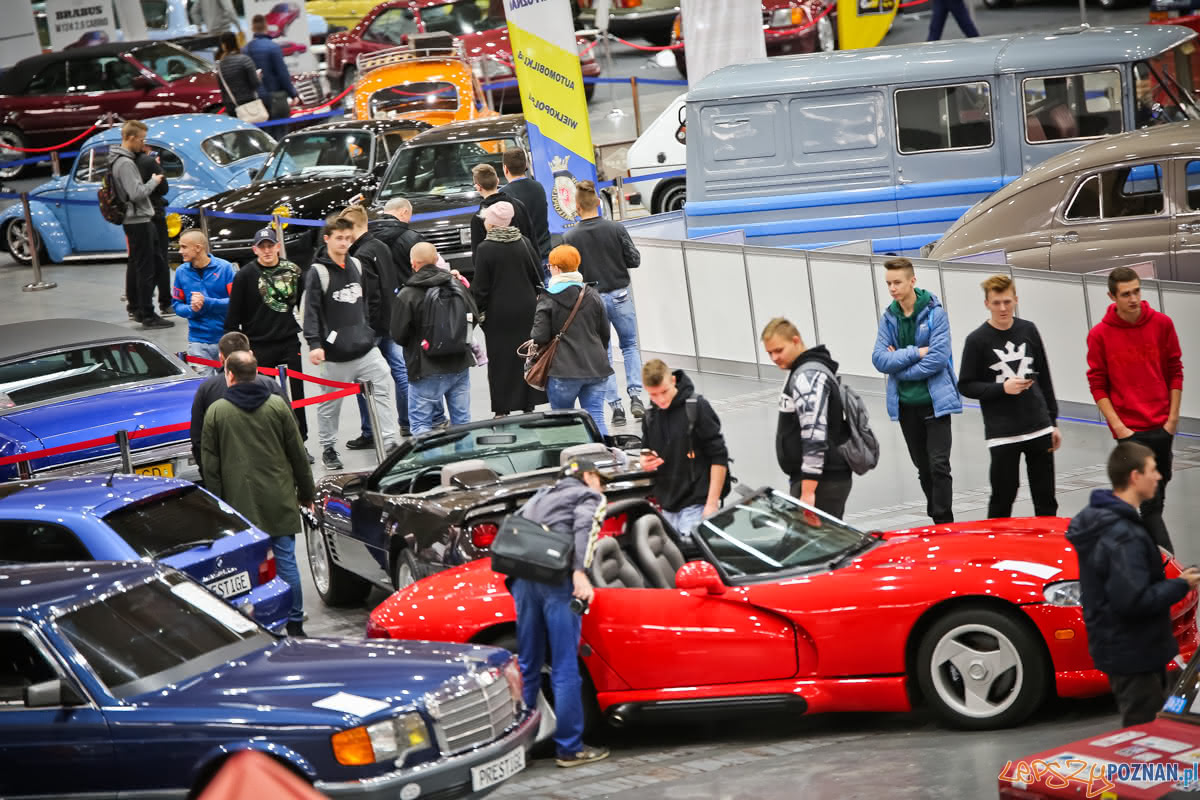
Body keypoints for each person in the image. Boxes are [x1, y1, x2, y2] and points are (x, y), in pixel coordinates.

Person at [1066, 441, 1200, 727]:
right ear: (1135, 476)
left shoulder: (1107, 522)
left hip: (1130, 648)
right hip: (1134, 652)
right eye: (1153, 470)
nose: (1159, 476)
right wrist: (1181, 585)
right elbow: (1133, 600)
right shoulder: (1121, 534)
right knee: (1144, 736)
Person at [201, 350, 315, 638]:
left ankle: (258, 621)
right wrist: (306, 492)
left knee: (247, 567)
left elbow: (210, 467)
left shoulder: (217, 412)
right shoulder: (277, 405)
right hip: (279, 496)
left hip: (239, 504)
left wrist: (217, 507)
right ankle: (296, 622)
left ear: (229, 375)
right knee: (287, 560)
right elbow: (298, 454)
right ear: (256, 372)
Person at [512, 458, 611, 768]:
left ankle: (519, 749)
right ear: (589, 476)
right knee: (565, 666)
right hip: (558, 581)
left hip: (524, 581)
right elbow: (585, 527)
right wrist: (579, 572)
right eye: (600, 480)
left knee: (528, 665)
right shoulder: (589, 496)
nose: (602, 487)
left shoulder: (541, 495)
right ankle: (569, 748)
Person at [1086, 266, 1184, 552]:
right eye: (1126, 294)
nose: (1133, 299)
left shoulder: (1162, 324)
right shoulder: (1100, 335)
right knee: (1150, 507)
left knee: (1156, 500)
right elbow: (1097, 383)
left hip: (1162, 426)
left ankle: (1142, 558)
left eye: (1137, 291)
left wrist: (1173, 419)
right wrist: (1119, 427)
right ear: (1112, 296)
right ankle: (1171, 568)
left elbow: (1175, 370)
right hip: (1130, 431)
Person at [958, 275, 1061, 519]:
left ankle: (1047, 550)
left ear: (1015, 300)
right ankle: (995, 549)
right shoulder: (976, 340)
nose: (1002, 308)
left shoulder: (1028, 329)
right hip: (1002, 433)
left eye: (1007, 302)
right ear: (987, 304)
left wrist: (1052, 423)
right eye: (996, 303)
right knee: (1003, 496)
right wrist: (1002, 389)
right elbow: (966, 385)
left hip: (1038, 427)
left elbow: (1044, 377)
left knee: (1045, 497)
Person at [303, 215, 400, 470]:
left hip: (365, 348)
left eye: (348, 238)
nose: (344, 243)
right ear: (327, 239)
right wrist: (315, 344)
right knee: (330, 404)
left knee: (381, 385)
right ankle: (328, 447)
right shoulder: (318, 272)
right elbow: (310, 310)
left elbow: (364, 301)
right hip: (335, 355)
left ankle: (389, 441)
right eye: (339, 238)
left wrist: (365, 329)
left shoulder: (357, 264)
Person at [871, 257, 962, 524]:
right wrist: (915, 352)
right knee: (923, 468)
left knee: (939, 465)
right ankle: (936, 518)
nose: (892, 289)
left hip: (935, 403)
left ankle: (944, 520)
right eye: (888, 284)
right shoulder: (889, 318)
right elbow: (879, 359)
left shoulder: (936, 314)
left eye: (897, 282)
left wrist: (899, 365)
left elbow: (938, 359)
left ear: (912, 281)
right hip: (906, 406)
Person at [563, 180, 644, 428]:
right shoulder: (616, 228)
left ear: (577, 207)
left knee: (604, 354)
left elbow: (570, 274)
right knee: (630, 346)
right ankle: (636, 397)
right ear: (598, 202)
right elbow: (634, 259)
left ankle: (616, 407)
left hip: (592, 301)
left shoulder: (570, 236)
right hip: (620, 294)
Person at [761, 317, 853, 519]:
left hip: (822, 481)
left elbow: (814, 435)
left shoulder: (808, 376)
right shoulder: (802, 370)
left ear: (796, 341)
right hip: (819, 478)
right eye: (769, 353)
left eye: (779, 350)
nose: (774, 358)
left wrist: (808, 492)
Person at [224, 227, 308, 444]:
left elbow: (302, 303)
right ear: (255, 249)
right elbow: (233, 316)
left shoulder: (293, 271)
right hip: (260, 345)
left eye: (271, 246)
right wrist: (234, 352)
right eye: (262, 247)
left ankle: (301, 439)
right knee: (265, 397)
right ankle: (272, 440)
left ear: (278, 247)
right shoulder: (244, 276)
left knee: (298, 396)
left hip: (289, 342)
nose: (267, 250)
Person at [391, 242, 480, 435]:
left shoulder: (408, 294)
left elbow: (398, 334)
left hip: (425, 367)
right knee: (462, 422)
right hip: (459, 363)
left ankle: (431, 464)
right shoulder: (455, 284)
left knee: (422, 425)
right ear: (436, 259)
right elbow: (474, 316)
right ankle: (464, 463)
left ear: (413, 264)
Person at [339, 205, 410, 446]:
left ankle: (370, 431)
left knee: (364, 379)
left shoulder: (360, 256)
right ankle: (408, 422)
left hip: (373, 327)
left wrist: (364, 330)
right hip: (390, 321)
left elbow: (369, 296)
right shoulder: (381, 246)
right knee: (401, 372)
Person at [639, 359, 729, 538]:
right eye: (653, 395)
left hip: (697, 503)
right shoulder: (650, 416)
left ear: (673, 380)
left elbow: (719, 456)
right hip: (667, 507)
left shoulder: (697, 407)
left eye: (664, 392)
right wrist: (645, 462)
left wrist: (711, 504)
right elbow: (645, 451)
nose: (661, 399)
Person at [471, 200, 546, 415]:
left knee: (501, 361)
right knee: (527, 356)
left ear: (492, 224)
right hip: (527, 310)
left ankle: (503, 407)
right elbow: (538, 277)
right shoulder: (524, 242)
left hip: (499, 313)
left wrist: (478, 314)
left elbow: (481, 288)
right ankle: (528, 403)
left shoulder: (485, 249)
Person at [531, 245, 612, 436]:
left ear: (557, 269)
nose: (548, 269)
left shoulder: (547, 297)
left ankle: (573, 460)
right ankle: (604, 458)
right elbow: (604, 333)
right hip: (596, 367)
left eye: (549, 266)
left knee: (564, 423)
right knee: (596, 418)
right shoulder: (592, 294)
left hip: (563, 370)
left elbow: (539, 336)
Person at [191, 331, 288, 475]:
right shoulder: (271, 386)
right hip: (274, 472)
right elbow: (290, 432)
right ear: (250, 354)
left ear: (221, 358)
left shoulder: (207, 390)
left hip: (229, 477)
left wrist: (210, 478)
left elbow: (199, 441)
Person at [110, 120, 170, 329]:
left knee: (141, 264)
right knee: (147, 268)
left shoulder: (118, 160)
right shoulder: (126, 163)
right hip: (138, 220)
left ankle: (139, 308)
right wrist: (154, 181)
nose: (143, 144)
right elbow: (136, 193)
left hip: (137, 219)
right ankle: (147, 313)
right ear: (132, 138)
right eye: (142, 139)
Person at [173, 230, 236, 375]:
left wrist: (207, 302)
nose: (180, 251)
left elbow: (236, 302)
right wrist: (191, 309)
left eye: (184, 247)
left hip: (226, 339)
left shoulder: (225, 268)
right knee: (205, 388)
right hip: (197, 341)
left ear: (198, 248)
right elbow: (177, 305)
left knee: (230, 387)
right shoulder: (181, 272)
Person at [133, 141, 172, 318]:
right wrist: (155, 178)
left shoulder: (124, 162)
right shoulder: (148, 162)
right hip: (153, 213)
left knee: (136, 261)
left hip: (134, 217)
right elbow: (163, 188)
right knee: (160, 259)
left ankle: (135, 306)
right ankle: (164, 302)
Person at [501, 148, 551, 279]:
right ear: (526, 166)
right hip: (544, 254)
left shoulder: (504, 194)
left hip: (521, 259)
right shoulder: (538, 187)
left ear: (505, 169)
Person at [468, 163, 534, 255]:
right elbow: (532, 242)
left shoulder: (478, 218)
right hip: (524, 266)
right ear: (497, 181)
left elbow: (478, 257)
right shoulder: (519, 206)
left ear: (478, 187)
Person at [245, 14, 299, 120]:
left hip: (255, 99)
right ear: (266, 27)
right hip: (276, 96)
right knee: (280, 130)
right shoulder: (273, 47)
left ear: (252, 28)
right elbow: (282, 73)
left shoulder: (246, 49)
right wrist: (292, 94)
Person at [369, 197, 425, 288]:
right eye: (409, 216)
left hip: (379, 296)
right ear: (404, 212)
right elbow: (427, 271)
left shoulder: (368, 236)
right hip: (408, 295)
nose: (409, 221)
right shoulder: (412, 238)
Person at [215, 32, 261, 118]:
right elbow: (255, 83)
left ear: (224, 46)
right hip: (249, 103)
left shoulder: (220, 65)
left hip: (232, 106)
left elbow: (222, 89)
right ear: (237, 42)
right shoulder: (245, 60)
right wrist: (259, 78)